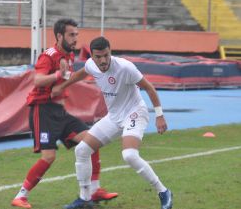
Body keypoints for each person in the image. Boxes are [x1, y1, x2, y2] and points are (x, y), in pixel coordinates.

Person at [52, 36, 173, 209]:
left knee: (129, 155)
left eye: (106, 55)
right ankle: (85, 199)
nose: (103, 60)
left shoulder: (125, 67)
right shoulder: (91, 65)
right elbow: (81, 74)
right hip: (114, 116)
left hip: (134, 112)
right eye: (98, 57)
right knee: (82, 150)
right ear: (92, 56)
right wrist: (62, 86)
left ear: (110, 52)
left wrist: (159, 115)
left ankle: (163, 192)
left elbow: (149, 87)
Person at [11, 19, 118, 209]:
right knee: (48, 157)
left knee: (92, 141)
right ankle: (21, 196)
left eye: (76, 34)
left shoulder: (68, 56)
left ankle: (94, 190)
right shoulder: (49, 55)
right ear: (59, 36)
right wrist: (58, 76)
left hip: (60, 112)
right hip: (42, 111)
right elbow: (38, 80)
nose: (75, 38)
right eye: (71, 35)